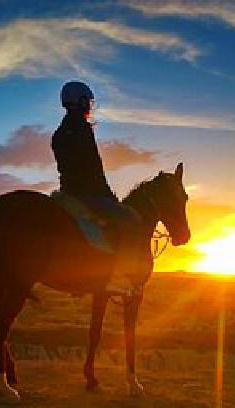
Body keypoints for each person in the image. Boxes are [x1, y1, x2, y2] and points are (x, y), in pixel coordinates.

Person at [51, 80, 140, 295]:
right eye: (87, 101)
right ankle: (117, 277)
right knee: (131, 220)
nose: (90, 106)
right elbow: (93, 168)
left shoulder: (59, 133)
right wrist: (107, 195)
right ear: (80, 102)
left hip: (67, 192)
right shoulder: (82, 129)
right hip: (88, 193)